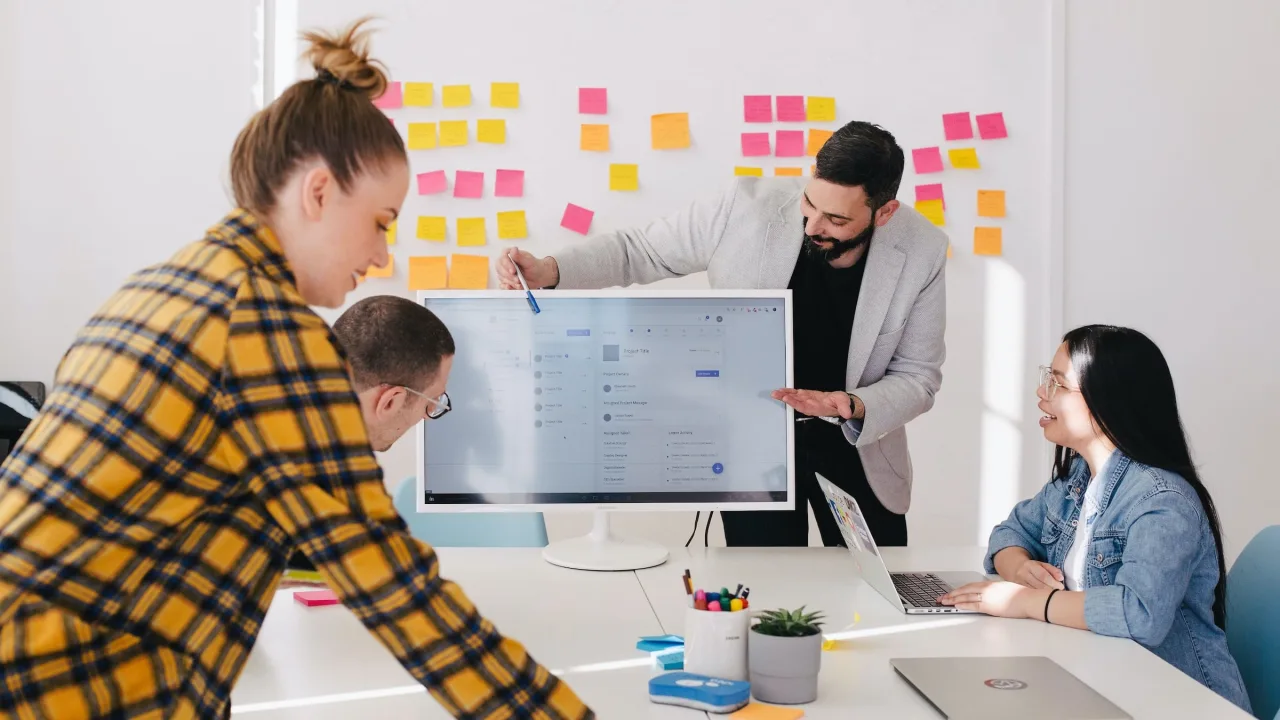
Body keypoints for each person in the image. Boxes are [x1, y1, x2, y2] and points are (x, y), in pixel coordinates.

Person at [0, 18, 591, 720]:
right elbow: (398, 592)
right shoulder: (265, 330)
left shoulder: (159, 286)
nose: (382, 256)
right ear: (318, 193)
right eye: (381, 222)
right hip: (64, 690)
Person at [498, 121, 947, 548]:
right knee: (766, 589)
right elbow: (640, 250)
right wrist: (551, 270)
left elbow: (918, 376)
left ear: (884, 213)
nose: (812, 226)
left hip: (855, 442)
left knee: (880, 588)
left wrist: (851, 404)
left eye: (835, 219)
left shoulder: (923, 249)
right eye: (809, 204)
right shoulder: (743, 205)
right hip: (751, 444)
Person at [939, 325, 1252, 713]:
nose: (1041, 393)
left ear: (1108, 401)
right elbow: (1011, 532)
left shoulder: (1163, 501)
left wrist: (1026, 601)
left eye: (1057, 383)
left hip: (1181, 702)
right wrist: (1019, 568)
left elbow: (1139, 614)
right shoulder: (1078, 479)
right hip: (1105, 681)